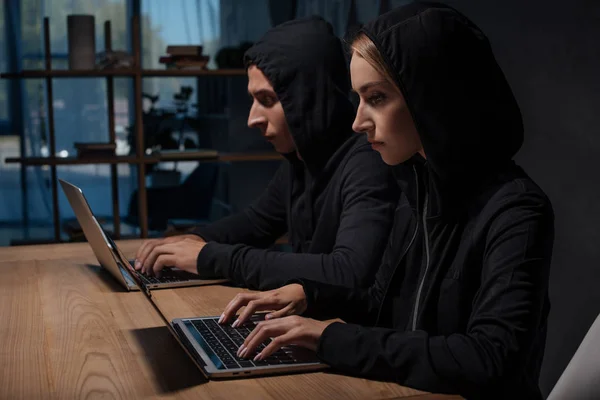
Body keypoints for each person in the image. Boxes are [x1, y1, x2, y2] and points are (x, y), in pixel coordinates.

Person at [219, 3, 554, 399]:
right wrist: (308, 295)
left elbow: (489, 358)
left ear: (431, 97)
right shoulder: (417, 187)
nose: (358, 121)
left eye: (376, 97)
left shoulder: (517, 209)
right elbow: (380, 302)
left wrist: (330, 337)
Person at [134, 16, 400, 291]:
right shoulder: (304, 157)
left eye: (267, 100)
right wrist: (190, 242)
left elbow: (347, 271)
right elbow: (256, 223)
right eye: (253, 100)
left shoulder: (368, 161)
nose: (252, 119)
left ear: (305, 99)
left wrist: (209, 257)